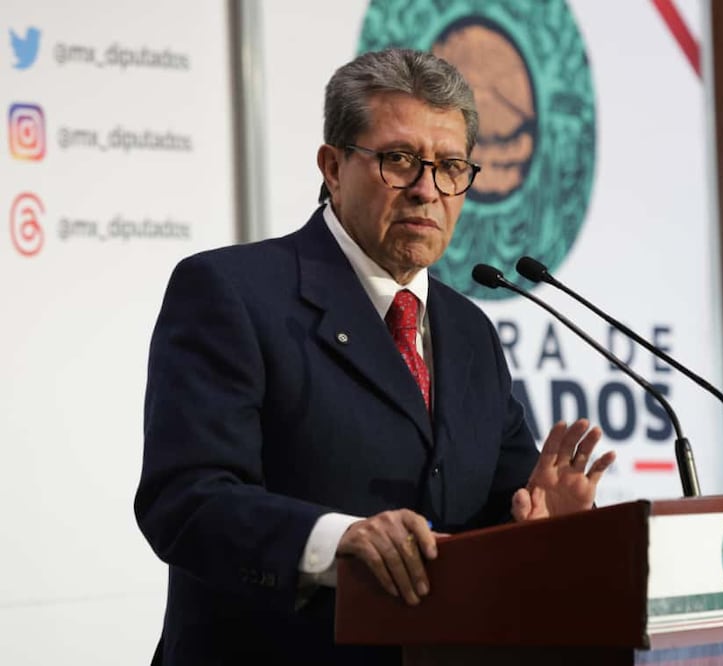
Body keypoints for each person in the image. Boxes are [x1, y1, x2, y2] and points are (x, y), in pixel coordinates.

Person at [135, 48, 614, 666]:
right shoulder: (232, 292)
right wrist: (337, 541)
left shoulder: (469, 331)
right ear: (333, 168)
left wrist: (544, 528)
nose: (427, 190)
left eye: (449, 167)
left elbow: (502, 508)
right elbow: (186, 501)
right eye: (399, 161)